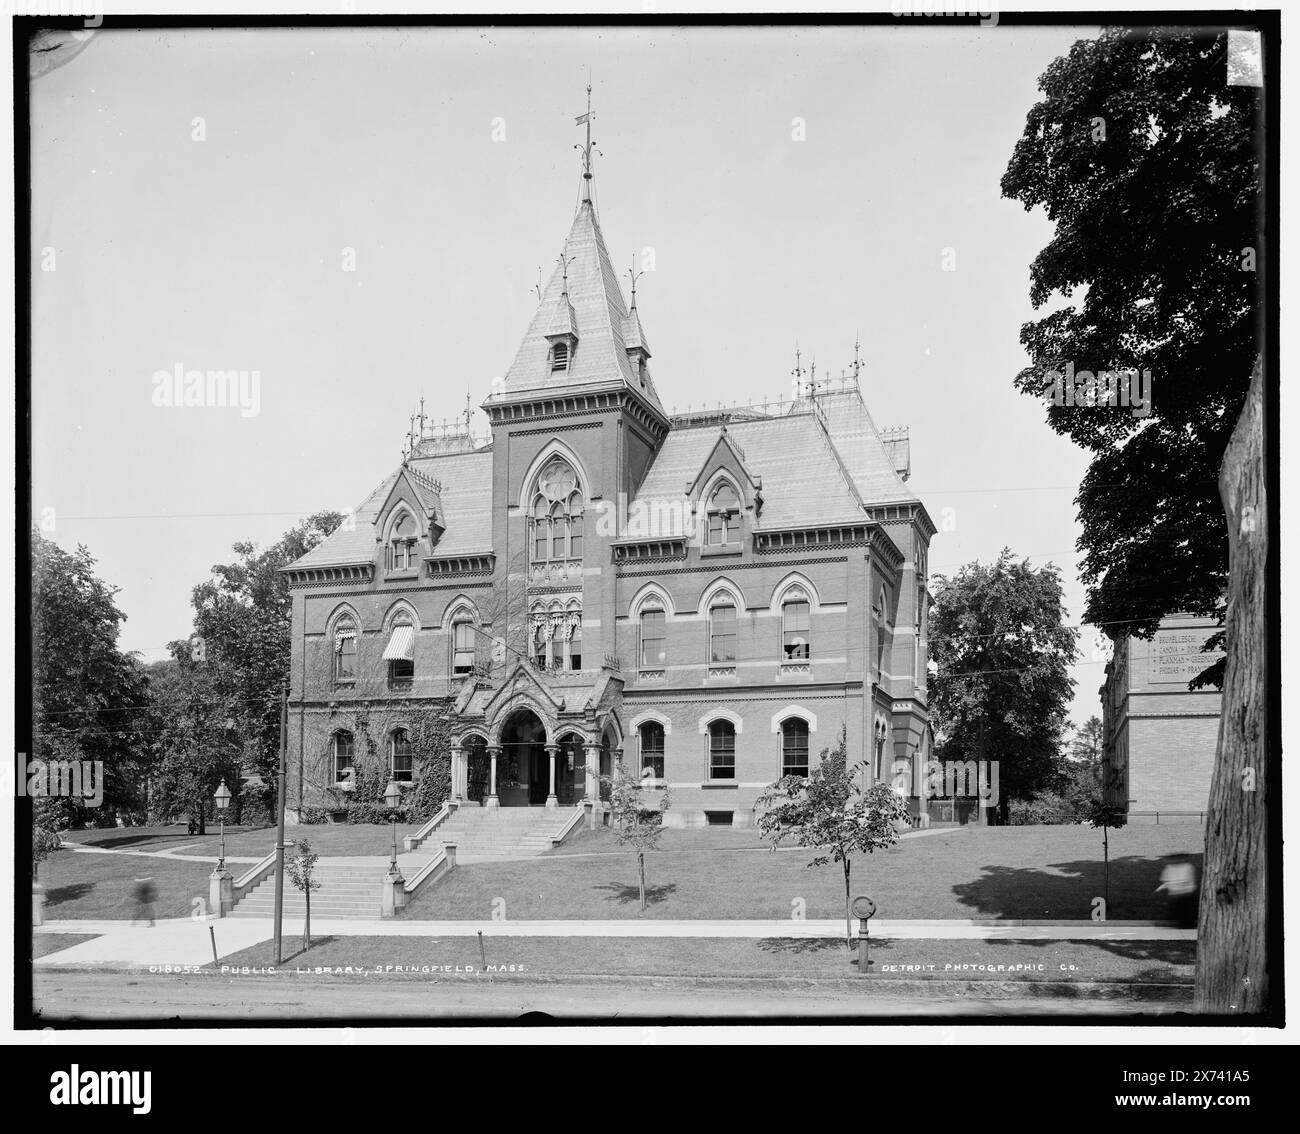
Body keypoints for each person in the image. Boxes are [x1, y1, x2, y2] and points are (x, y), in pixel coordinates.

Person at [1156, 859, 1198, 928]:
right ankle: (1185, 923)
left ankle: (1185, 923)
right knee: (1184, 910)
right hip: (1183, 893)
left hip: (1182, 893)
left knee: (1182, 909)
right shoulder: (1186, 867)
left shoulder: (1184, 867)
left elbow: (1168, 882)